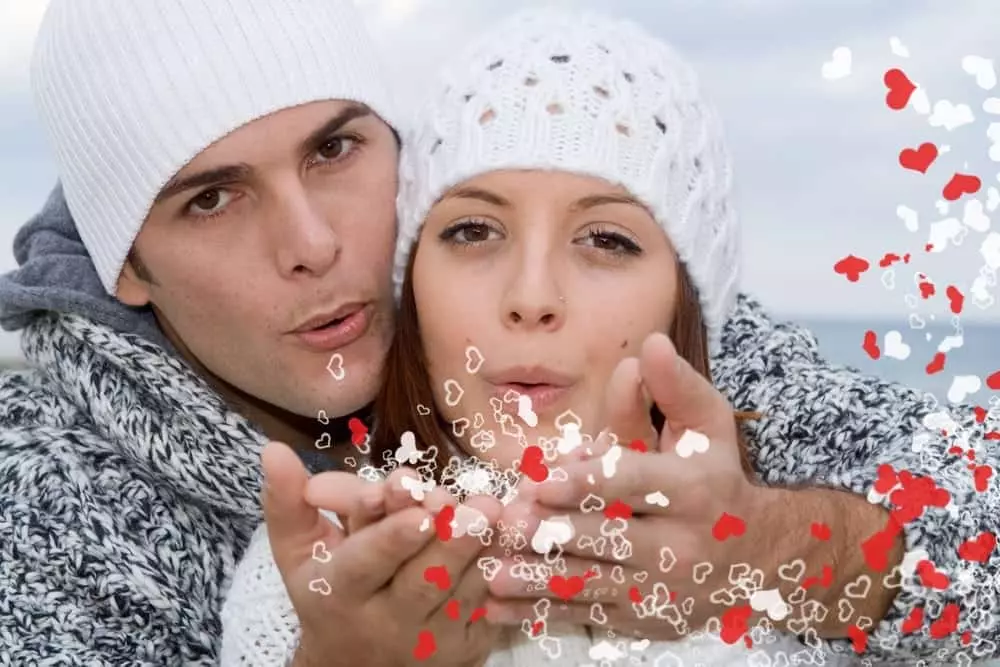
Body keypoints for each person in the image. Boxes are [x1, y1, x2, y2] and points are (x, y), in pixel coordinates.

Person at [0, 0, 994, 665]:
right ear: (125, 263)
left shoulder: (655, 354)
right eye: (211, 199)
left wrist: (805, 552)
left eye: (336, 148)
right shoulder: (43, 504)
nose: (311, 245)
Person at [219, 10, 852, 665]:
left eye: (606, 240)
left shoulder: (810, 554)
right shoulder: (316, 576)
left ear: (685, 304)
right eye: (473, 231)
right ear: (411, 286)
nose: (530, 298)